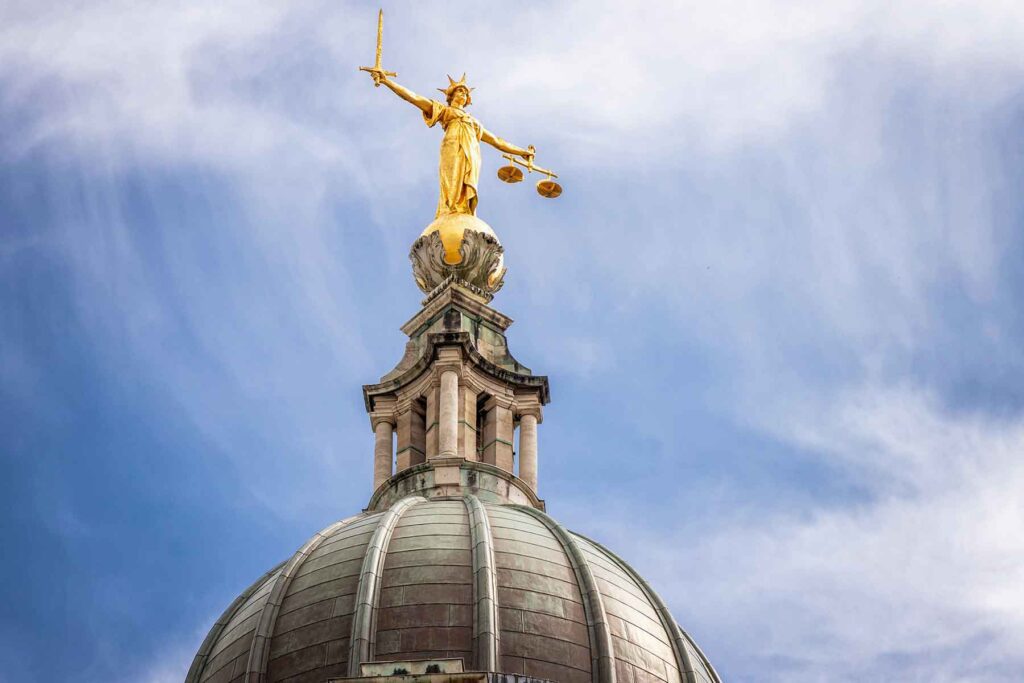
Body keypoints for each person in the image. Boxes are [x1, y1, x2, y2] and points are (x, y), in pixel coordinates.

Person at [367, 71, 535, 218]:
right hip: (453, 146)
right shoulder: (445, 111)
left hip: (472, 152)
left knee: (467, 181)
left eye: (465, 92)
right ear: (451, 95)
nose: (463, 93)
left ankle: (464, 210)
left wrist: (521, 152)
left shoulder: (474, 123)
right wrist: (387, 81)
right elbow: (415, 98)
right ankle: (450, 209)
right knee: (452, 178)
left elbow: (497, 141)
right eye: (459, 90)